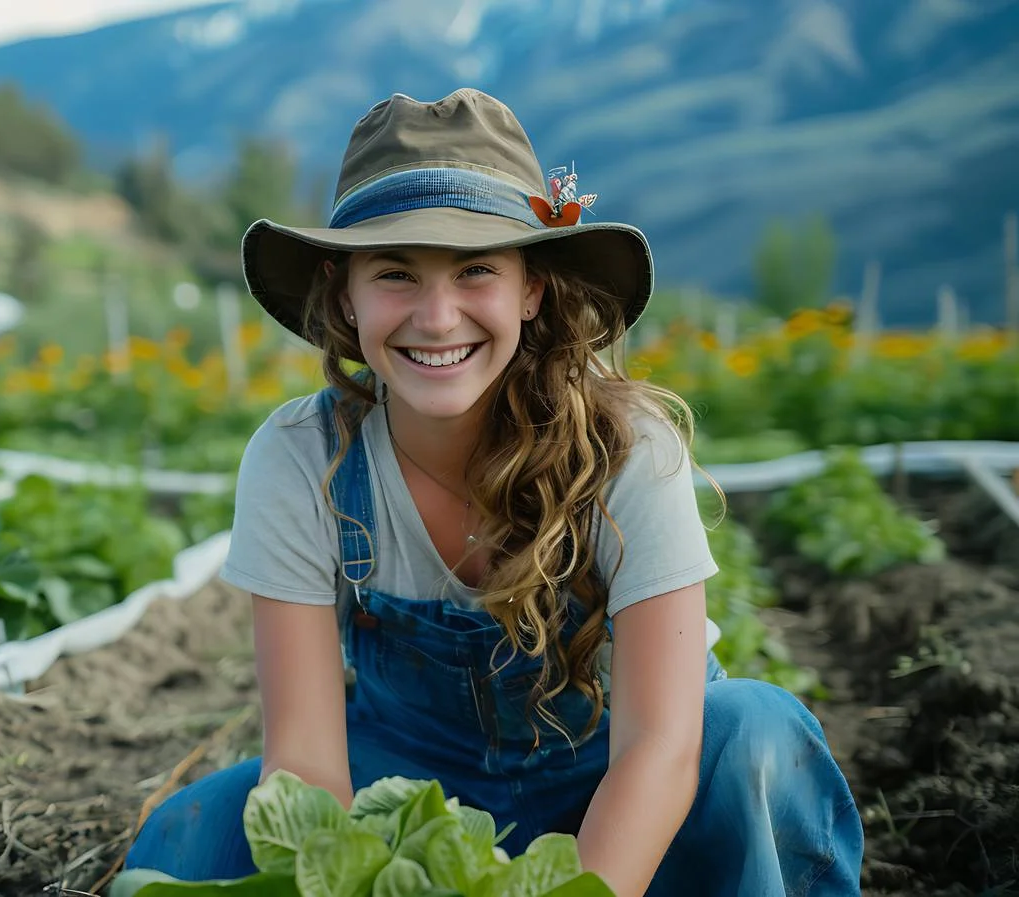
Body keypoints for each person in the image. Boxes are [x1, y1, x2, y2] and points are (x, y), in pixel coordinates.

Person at [121, 89, 864, 896]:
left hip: (612, 778)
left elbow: (659, 748)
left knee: (755, 733)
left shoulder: (626, 450)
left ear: (532, 288)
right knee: (188, 843)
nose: (437, 318)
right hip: (408, 791)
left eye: (476, 270)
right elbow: (305, 763)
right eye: (396, 273)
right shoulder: (303, 458)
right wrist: (358, 874)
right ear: (345, 294)